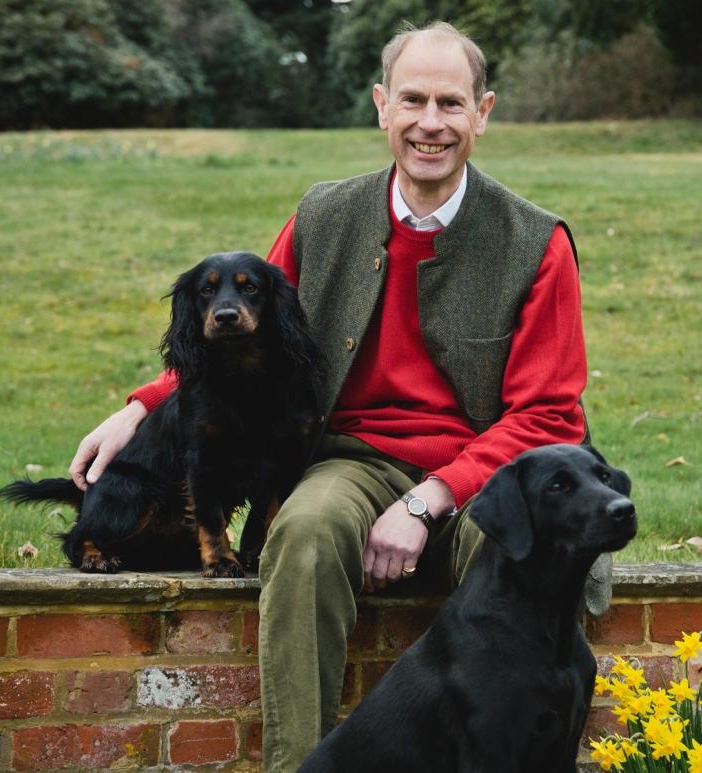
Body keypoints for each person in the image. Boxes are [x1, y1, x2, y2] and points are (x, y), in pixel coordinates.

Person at [69, 21, 588, 772]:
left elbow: (547, 416)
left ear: (483, 112)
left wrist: (427, 501)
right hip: (351, 458)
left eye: (451, 103)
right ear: (382, 106)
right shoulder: (323, 214)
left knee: (520, 550)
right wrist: (141, 404)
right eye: (412, 100)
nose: (429, 124)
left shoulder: (536, 242)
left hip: (487, 472)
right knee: (303, 533)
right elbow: (238, 336)